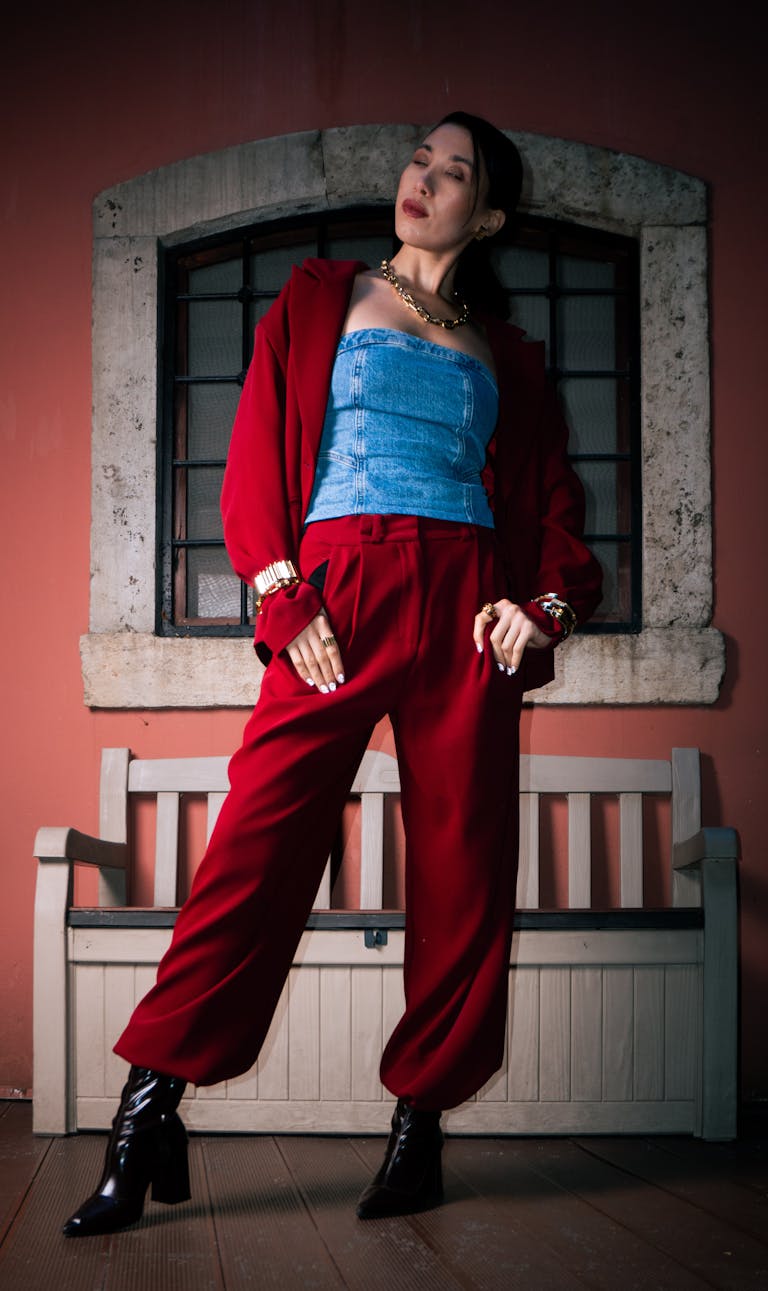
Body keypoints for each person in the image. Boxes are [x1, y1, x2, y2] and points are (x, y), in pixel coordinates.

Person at [63, 111, 602, 1237]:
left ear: (487, 213)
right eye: (420, 159)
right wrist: (282, 591)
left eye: (454, 173)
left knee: (464, 866)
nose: (423, 180)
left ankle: (419, 1130)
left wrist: (541, 608)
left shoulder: (510, 354)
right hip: (340, 593)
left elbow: (555, 515)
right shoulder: (319, 299)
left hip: (463, 610)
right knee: (256, 849)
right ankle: (148, 1109)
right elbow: (257, 452)